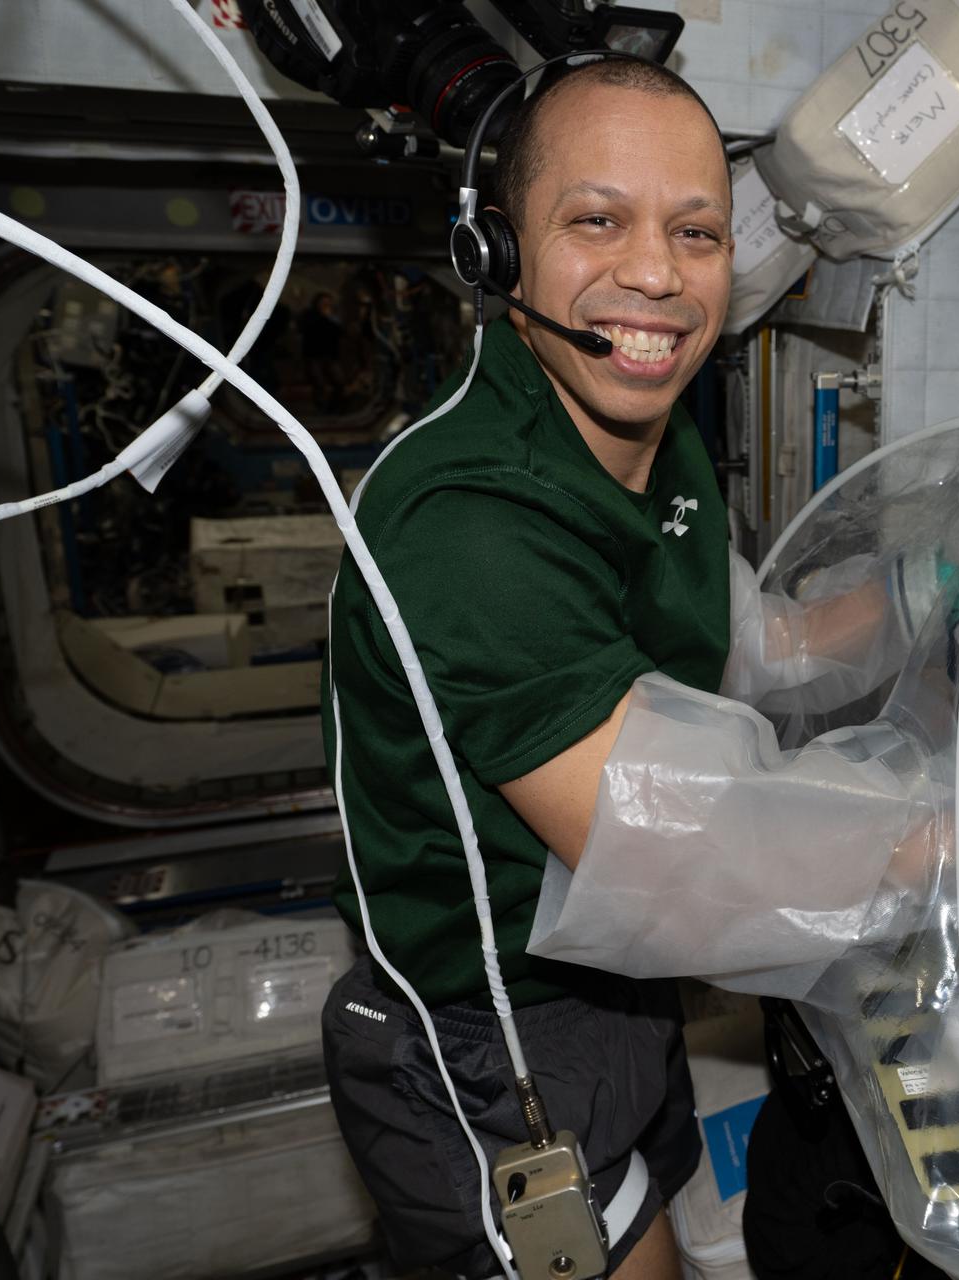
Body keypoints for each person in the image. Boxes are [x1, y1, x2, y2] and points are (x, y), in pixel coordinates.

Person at [318, 59, 737, 1280]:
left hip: (608, 981)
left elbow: (716, 620)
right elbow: (687, 864)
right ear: (499, 256)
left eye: (695, 230)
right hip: (492, 1039)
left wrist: (949, 598)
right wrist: (946, 838)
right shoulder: (469, 523)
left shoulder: (635, 422)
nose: (656, 273)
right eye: (597, 219)